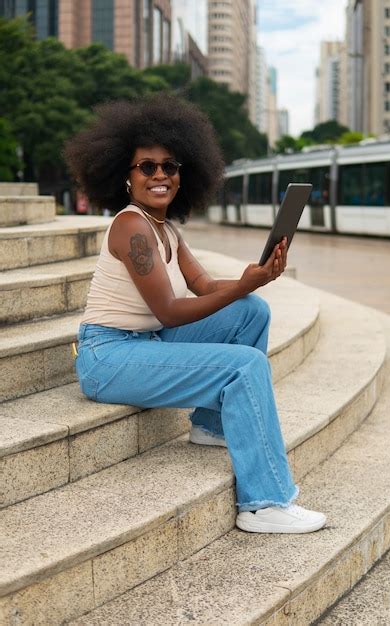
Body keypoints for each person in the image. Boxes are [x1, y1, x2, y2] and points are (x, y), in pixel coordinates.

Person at [64, 94, 326, 534]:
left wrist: (255, 279)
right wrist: (242, 284)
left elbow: (204, 287)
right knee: (243, 366)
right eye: (147, 167)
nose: (161, 175)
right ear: (125, 177)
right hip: (107, 356)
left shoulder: (165, 228)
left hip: (145, 344)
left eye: (171, 166)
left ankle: (210, 424)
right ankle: (264, 504)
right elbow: (169, 310)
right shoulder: (131, 227)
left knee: (251, 311)